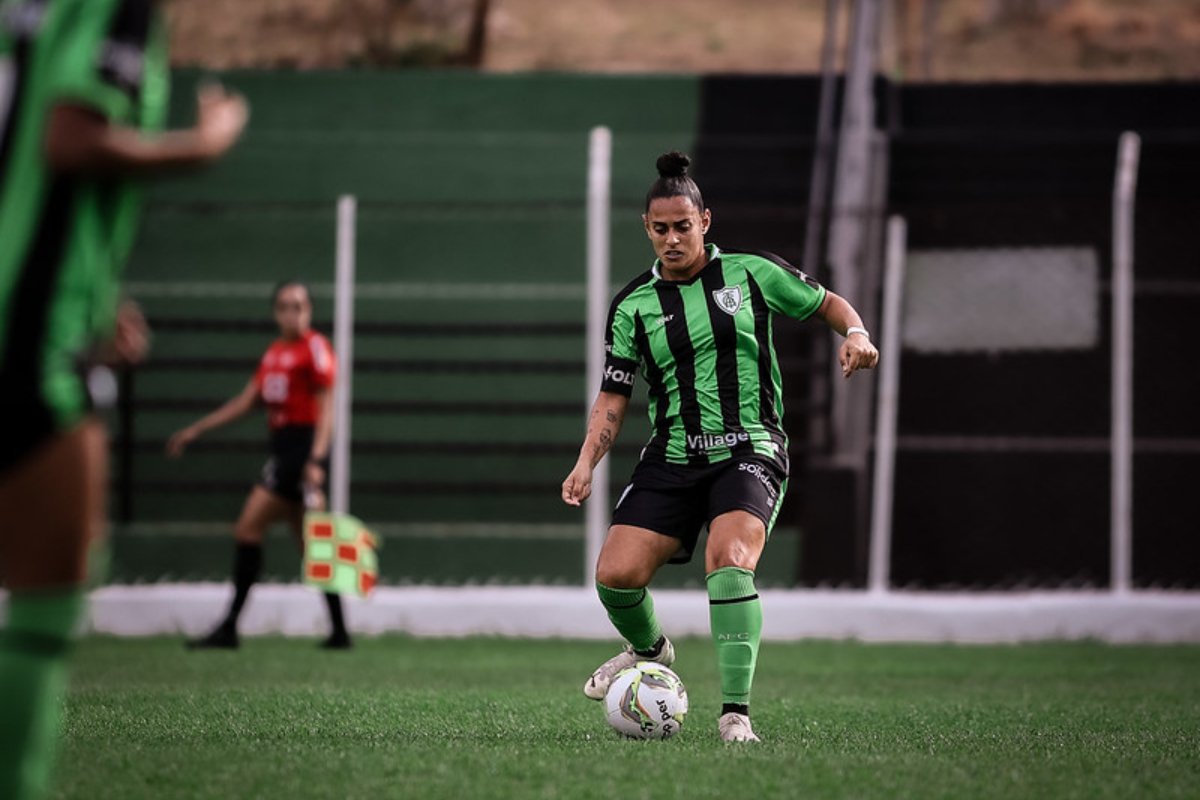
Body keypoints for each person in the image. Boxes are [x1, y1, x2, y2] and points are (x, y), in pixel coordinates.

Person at [0, 1, 248, 797]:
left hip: (43, 316)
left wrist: (93, 300)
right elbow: (68, 139)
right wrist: (202, 147)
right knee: (49, 589)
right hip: (22, 339)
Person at [561, 152, 878, 743]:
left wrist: (856, 333)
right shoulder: (633, 306)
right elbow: (613, 396)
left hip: (749, 447)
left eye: (684, 225)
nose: (673, 238)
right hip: (674, 454)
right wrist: (585, 461)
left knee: (729, 561)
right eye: (661, 229)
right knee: (615, 576)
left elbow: (829, 303)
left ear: (705, 221)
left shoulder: (752, 273)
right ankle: (647, 649)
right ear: (647, 230)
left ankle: (736, 714)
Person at [167, 280, 351, 650]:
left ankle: (230, 628)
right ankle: (340, 632)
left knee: (249, 528)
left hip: (299, 453)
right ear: (275, 312)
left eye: (299, 306)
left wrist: (316, 459)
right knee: (312, 544)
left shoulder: (314, 348)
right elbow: (246, 402)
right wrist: (197, 429)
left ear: (309, 311)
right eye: (284, 306)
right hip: (284, 451)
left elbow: (326, 408)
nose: (292, 313)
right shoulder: (273, 354)